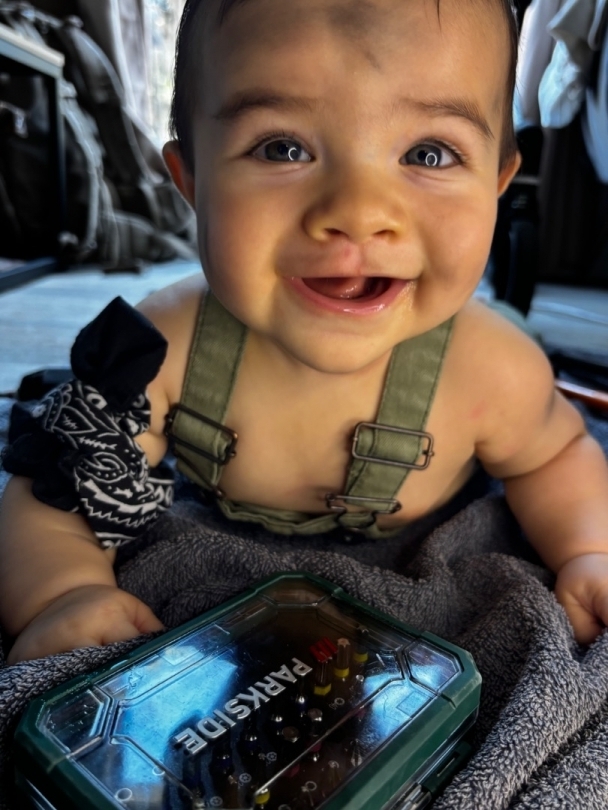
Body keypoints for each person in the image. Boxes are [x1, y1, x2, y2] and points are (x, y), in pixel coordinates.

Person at [1, 0, 608, 665]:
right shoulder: (158, 346)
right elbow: (60, 486)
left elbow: (555, 457)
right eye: (282, 148)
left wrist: (589, 551)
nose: (358, 212)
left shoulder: (493, 369)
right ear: (192, 182)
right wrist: (63, 592)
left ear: (495, 184)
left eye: (428, 153)